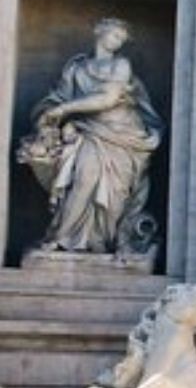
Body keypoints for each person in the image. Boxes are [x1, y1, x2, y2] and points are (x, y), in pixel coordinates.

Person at [19, 18, 162, 255]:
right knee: (85, 177)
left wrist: (65, 110)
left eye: (121, 39)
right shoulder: (76, 68)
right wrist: (50, 116)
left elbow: (107, 99)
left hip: (123, 135)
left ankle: (100, 241)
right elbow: (56, 99)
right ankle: (62, 238)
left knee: (115, 195)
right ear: (99, 32)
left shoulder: (121, 65)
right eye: (114, 35)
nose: (116, 42)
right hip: (89, 132)